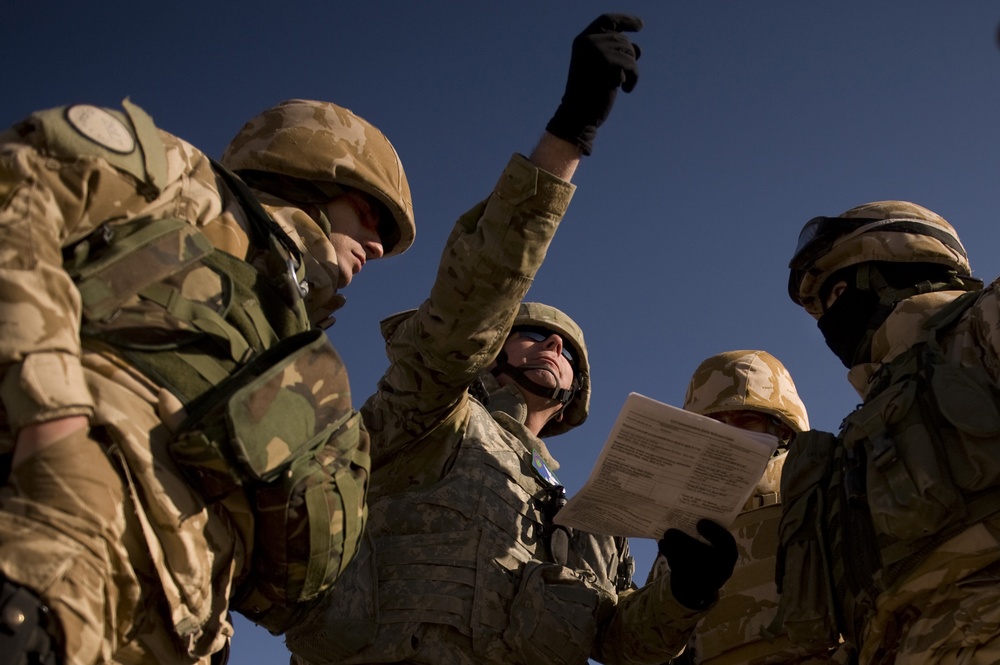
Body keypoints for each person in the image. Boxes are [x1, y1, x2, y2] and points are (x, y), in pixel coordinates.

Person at [284, 14, 739, 665]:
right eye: (534, 335)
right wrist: (569, 136)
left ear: (575, 393)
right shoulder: (428, 417)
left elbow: (623, 642)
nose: (553, 348)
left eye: (567, 351)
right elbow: (475, 294)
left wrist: (684, 594)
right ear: (490, 348)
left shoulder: (592, 518)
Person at [0, 96, 415, 665]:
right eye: (371, 215)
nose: (377, 245)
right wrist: (51, 426)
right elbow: (20, 188)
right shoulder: (187, 185)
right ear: (306, 167)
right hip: (43, 559)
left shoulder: (301, 351)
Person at [778, 200, 1000, 664]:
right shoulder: (857, 442)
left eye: (838, 293)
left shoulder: (980, 326)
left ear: (898, 264)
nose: (831, 325)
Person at [645, 350, 834, 665]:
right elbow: (648, 649)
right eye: (714, 423)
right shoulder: (682, 536)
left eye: (747, 419)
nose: (729, 432)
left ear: (783, 430)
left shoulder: (827, 494)